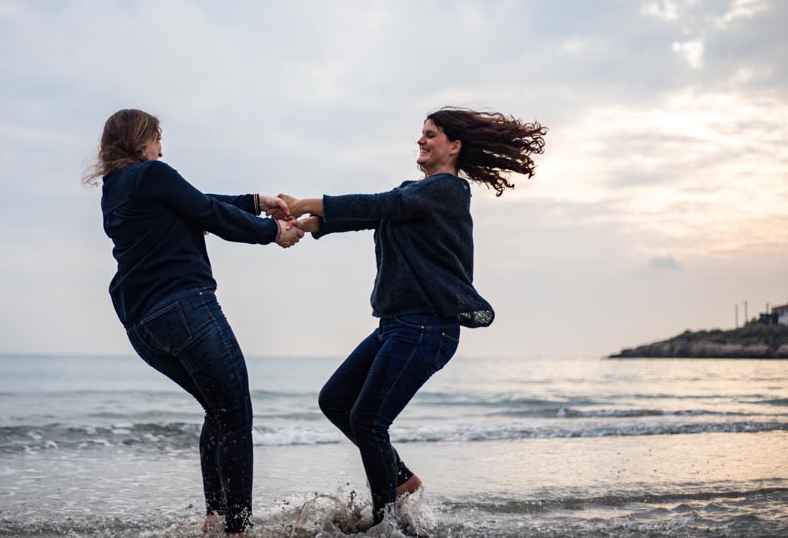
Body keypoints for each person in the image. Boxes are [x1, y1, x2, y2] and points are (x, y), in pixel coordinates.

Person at [278, 107, 546, 528]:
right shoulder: (415, 193)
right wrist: (309, 224)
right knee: (335, 401)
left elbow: (385, 204)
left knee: (368, 421)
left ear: (454, 147)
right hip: (396, 326)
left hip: (428, 327)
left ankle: (384, 522)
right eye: (420, 134)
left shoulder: (446, 191)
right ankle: (403, 483)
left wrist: (309, 202)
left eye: (431, 135)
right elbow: (374, 213)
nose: (420, 140)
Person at [84, 109, 303, 536]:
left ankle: (216, 519)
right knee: (235, 414)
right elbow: (207, 213)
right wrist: (273, 232)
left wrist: (257, 203)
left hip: (143, 325)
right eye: (157, 139)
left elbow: (195, 205)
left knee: (217, 411)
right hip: (184, 306)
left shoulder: (115, 190)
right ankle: (237, 528)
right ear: (139, 141)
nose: (161, 149)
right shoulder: (153, 174)